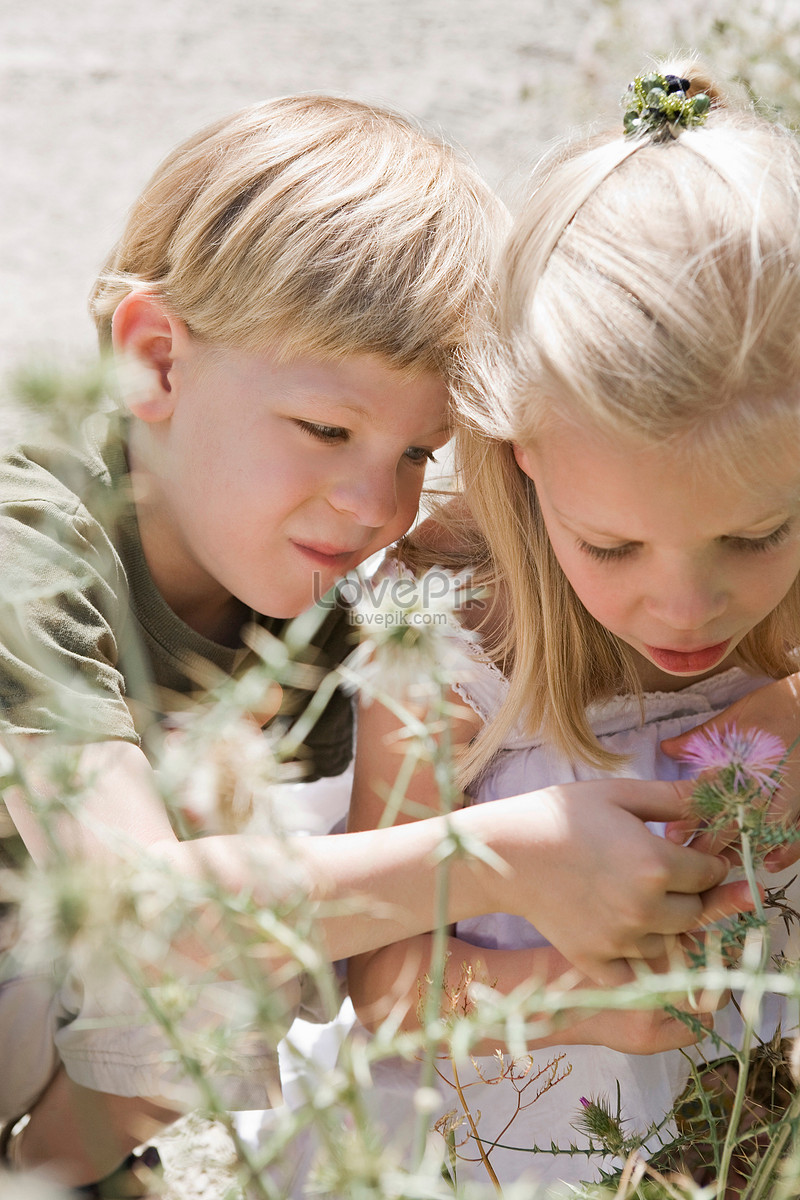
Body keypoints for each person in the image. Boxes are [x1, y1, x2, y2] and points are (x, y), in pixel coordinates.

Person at [0, 90, 749, 1195]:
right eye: (327, 430)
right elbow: (155, 920)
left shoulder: (318, 600)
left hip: (47, 1022)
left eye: (415, 453)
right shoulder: (32, 548)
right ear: (156, 361)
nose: (371, 504)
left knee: (255, 959)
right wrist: (509, 850)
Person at [347, 59, 800, 1189]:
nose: (685, 606)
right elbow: (381, 986)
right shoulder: (448, 627)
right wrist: (577, 995)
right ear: (519, 456)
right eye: (611, 547)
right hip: (547, 1132)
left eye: (753, 539)